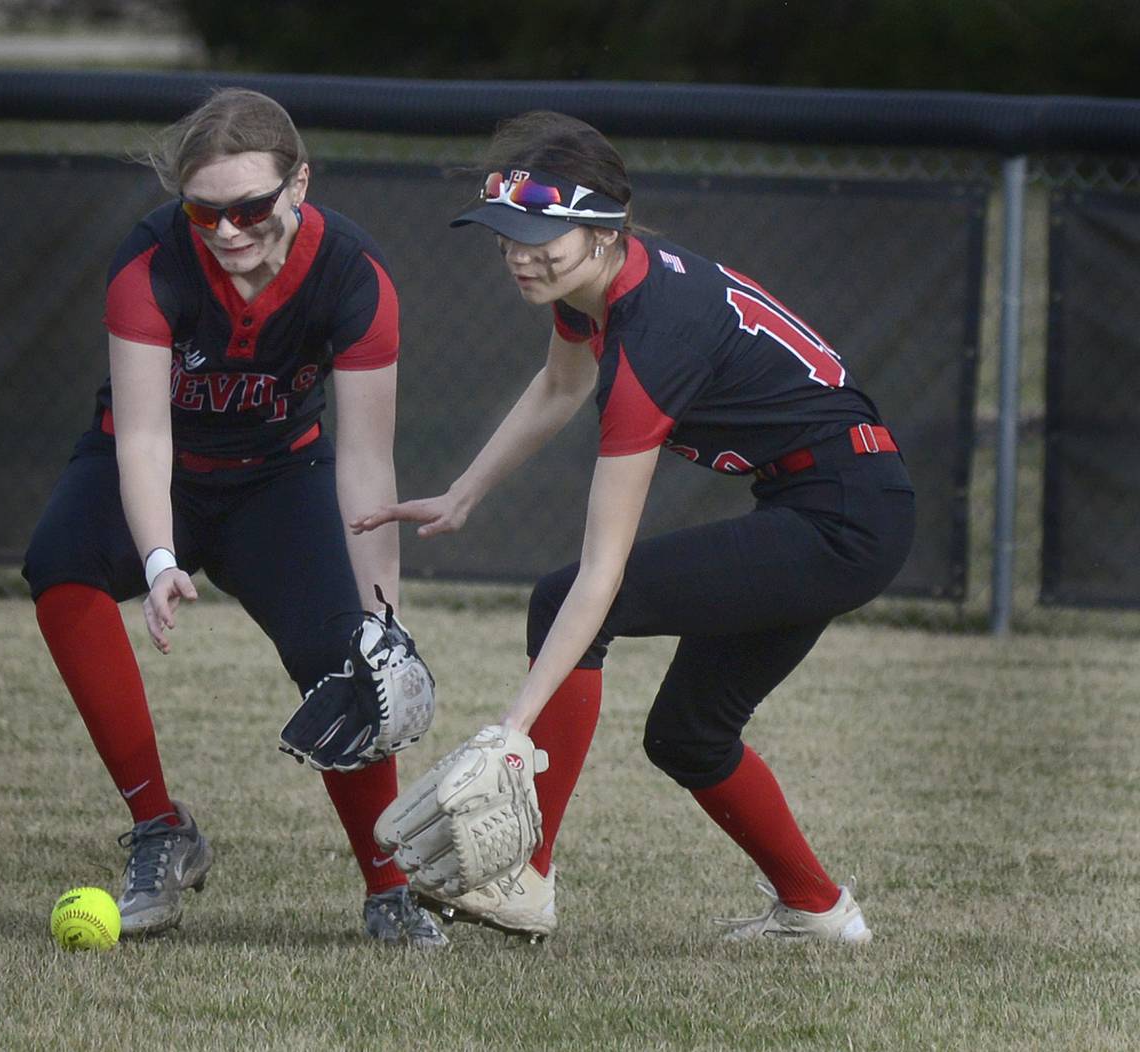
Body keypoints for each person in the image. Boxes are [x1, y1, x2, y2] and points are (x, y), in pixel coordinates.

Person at [353, 111, 915, 944]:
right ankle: (820, 911)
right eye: (506, 232)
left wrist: (513, 730)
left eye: (542, 232)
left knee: (566, 601)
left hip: (842, 516)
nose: (518, 253)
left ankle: (528, 880)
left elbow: (600, 578)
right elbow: (556, 388)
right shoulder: (605, 289)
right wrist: (464, 493)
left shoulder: (655, 336)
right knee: (689, 737)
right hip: (839, 503)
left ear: (607, 229)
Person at [23, 88, 445, 948]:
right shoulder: (151, 261)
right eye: (205, 210)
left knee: (342, 659)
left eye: (250, 208)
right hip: (152, 469)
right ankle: (158, 827)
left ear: (300, 185)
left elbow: (367, 465)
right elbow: (142, 435)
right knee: (58, 561)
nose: (227, 231)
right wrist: (156, 557)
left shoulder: (354, 275)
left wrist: (382, 623)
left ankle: (388, 886)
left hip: (279, 477)